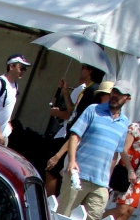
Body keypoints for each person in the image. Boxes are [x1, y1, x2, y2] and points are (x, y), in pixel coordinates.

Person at [57, 80, 132, 220]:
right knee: (63, 217)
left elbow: (115, 154)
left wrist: (108, 179)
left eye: (120, 93)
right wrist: (71, 161)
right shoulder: (93, 110)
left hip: (101, 182)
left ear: (127, 99)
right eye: (114, 91)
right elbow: (75, 135)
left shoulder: (124, 122)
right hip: (78, 174)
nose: (115, 95)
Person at [45, 65, 105, 195]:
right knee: (54, 171)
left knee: (52, 170)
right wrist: (65, 92)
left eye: (83, 67)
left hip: (73, 138)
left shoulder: (92, 91)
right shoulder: (86, 89)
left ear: (90, 70)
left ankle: (48, 201)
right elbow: (74, 112)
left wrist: (58, 155)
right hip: (69, 134)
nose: (80, 70)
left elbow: (80, 124)